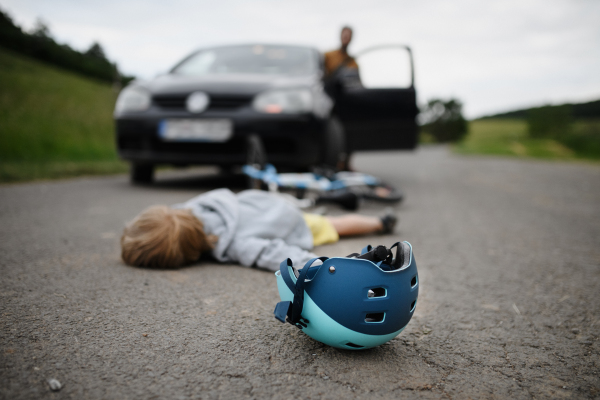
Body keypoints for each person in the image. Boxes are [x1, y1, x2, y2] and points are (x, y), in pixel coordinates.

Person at [121, 188, 397, 271]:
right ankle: (327, 203)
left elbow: (277, 253)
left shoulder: (235, 243)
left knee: (332, 226)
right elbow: (166, 219)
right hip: (266, 202)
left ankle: (378, 223)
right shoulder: (191, 208)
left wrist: (320, 266)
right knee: (316, 214)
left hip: (289, 223)